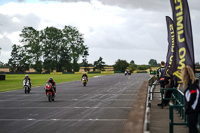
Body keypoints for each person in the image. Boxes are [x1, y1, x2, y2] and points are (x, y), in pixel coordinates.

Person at [181, 65, 200, 133]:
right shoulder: (192, 83)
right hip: (193, 109)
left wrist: (188, 107)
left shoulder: (192, 84)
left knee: (192, 128)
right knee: (192, 127)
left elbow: (193, 95)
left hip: (193, 109)